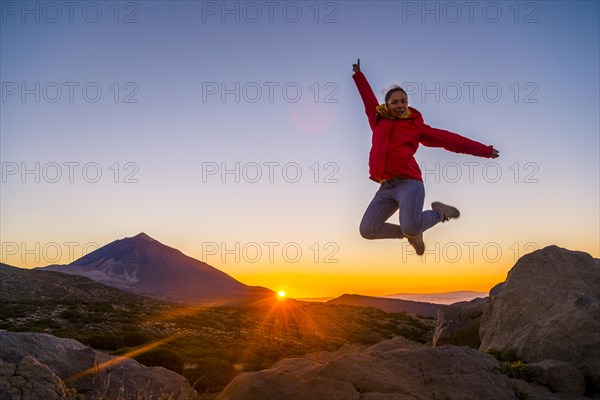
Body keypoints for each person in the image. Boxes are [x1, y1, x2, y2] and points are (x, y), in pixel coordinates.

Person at [352, 59, 499, 255]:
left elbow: (450, 140)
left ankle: (440, 213)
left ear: (407, 103)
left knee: (411, 226)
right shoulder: (378, 119)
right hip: (385, 186)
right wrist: (359, 76)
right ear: (386, 105)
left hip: (409, 183)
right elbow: (367, 99)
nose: (400, 105)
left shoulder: (416, 127)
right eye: (394, 102)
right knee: (368, 230)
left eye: (403, 101)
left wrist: (485, 151)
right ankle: (412, 235)